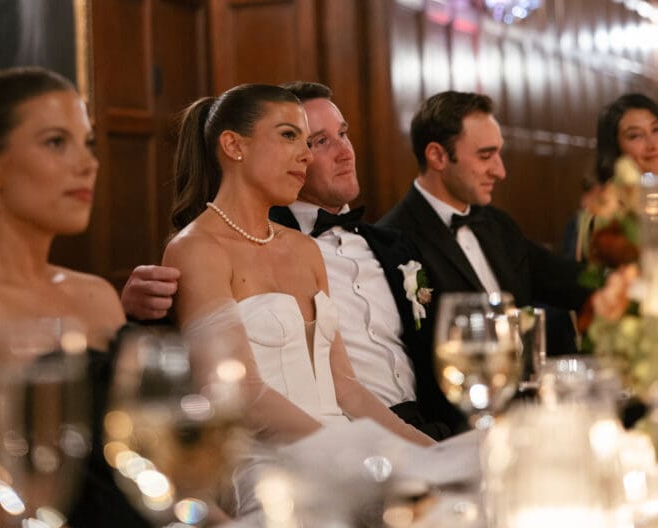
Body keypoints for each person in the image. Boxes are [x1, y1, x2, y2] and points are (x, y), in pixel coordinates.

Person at [162, 84, 433, 515]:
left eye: (307, 142)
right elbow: (240, 394)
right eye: (290, 136)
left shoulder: (305, 250)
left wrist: (430, 452)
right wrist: (353, 456)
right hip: (259, 463)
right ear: (233, 145)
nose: (306, 155)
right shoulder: (196, 249)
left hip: (340, 442)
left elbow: (347, 388)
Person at [0, 67, 151, 528]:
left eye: (87, 142)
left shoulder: (95, 296)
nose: (88, 163)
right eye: (56, 142)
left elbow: (144, 461)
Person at [270, 80, 459, 437]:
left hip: (433, 425)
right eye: (321, 141)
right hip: (347, 437)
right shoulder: (269, 247)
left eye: (344, 134)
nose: (345, 152)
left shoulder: (395, 245)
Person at [378, 91, 590, 353]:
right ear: (437, 156)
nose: (500, 171)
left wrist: (636, 283)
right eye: (485, 156)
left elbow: (569, 281)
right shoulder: (392, 239)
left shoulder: (498, 226)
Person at [595, 92, 658, 184]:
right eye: (635, 135)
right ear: (615, 147)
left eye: (656, 129)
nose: (653, 144)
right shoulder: (608, 196)